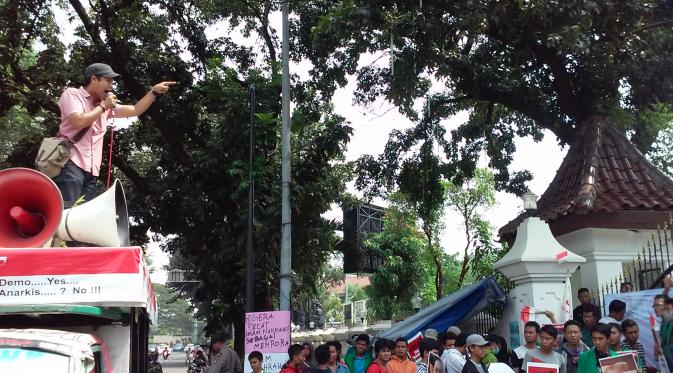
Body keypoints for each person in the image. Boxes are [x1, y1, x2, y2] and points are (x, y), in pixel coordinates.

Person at [53, 62, 176, 207]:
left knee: (82, 218)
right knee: (66, 212)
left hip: (92, 171)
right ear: (94, 79)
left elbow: (135, 110)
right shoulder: (73, 94)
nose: (111, 85)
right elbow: (79, 121)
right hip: (71, 162)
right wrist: (103, 106)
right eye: (108, 80)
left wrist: (153, 92)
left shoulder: (104, 104)